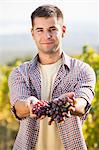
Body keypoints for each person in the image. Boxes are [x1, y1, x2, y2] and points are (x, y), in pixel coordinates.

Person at [8, 4, 96, 150]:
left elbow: (83, 102)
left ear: (63, 31)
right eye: (40, 30)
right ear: (33, 33)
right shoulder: (20, 73)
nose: (46, 36)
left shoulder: (82, 71)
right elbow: (18, 106)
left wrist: (69, 104)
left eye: (52, 29)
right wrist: (31, 105)